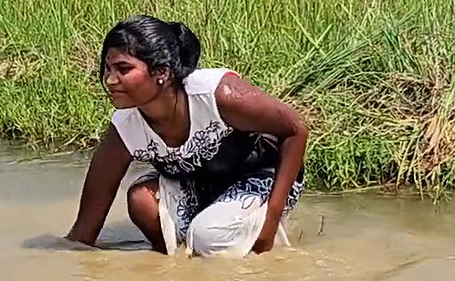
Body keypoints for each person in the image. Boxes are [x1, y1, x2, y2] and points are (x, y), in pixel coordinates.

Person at [64, 15, 308, 257]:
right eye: (108, 69)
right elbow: (84, 231)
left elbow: (296, 130)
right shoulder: (125, 128)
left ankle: (257, 234)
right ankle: (181, 260)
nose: (110, 80)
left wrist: (271, 218)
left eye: (123, 69)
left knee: (209, 235)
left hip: (262, 175)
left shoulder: (217, 96)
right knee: (143, 201)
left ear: (163, 72)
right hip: (200, 183)